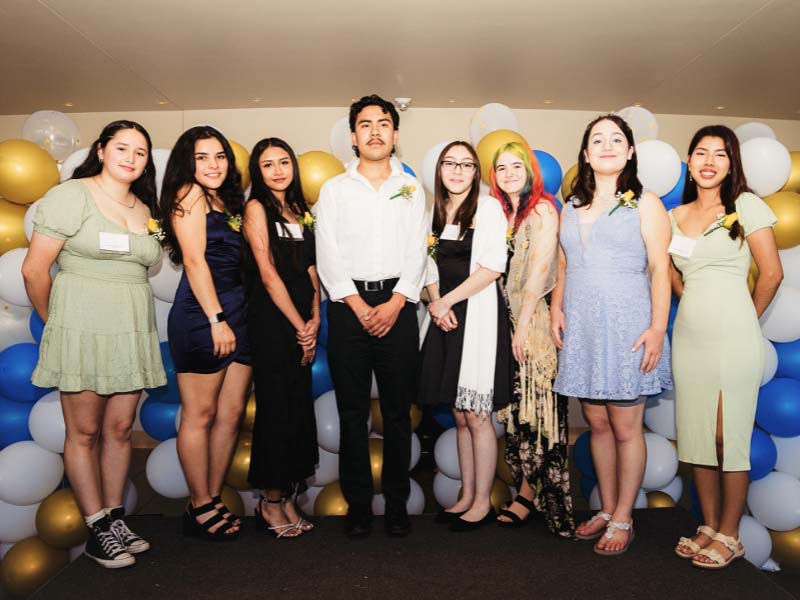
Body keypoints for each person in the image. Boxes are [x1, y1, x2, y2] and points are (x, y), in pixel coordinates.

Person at [22, 120, 166, 568]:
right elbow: (34, 270)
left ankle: (115, 516)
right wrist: (57, 324)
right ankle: (96, 524)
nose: (131, 157)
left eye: (140, 152)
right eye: (122, 147)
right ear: (102, 150)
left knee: (120, 430)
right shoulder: (72, 195)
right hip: (81, 326)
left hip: (130, 327)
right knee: (83, 432)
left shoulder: (146, 209)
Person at [551, 115, 672, 555]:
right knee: (596, 424)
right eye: (597, 139)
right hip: (582, 325)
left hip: (627, 325)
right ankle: (603, 508)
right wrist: (555, 309)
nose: (606, 145)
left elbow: (660, 269)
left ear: (630, 151)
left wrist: (657, 327)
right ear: (585, 153)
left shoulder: (646, 203)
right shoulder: (571, 205)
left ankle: (624, 516)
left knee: (625, 427)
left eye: (616, 139)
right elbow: (564, 264)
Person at [669, 125, 782, 569]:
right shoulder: (675, 217)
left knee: (726, 436)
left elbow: (771, 274)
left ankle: (731, 535)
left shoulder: (746, 205)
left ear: (731, 163)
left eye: (720, 153)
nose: (709, 160)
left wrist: (742, 320)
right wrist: (691, 303)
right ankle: (709, 526)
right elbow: (671, 274)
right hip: (690, 341)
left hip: (736, 338)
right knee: (698, 437)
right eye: (701, 152)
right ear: (691, 161)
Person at [315, 94, 427, 538]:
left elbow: (418, 249)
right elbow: (327, 252)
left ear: (395, 135)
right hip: (348, 309)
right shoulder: (334, 190)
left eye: (384, 123)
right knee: (351, 413)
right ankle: (358, 503)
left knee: (399, 412)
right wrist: (360, 306)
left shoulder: (413, 188)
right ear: (353, 136)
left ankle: (397, 503)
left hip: (400, 305)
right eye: (365, 124)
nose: (375, 131)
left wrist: (397, 302)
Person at [159, 125, 252, 541]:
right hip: (203, 315)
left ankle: (212, 497)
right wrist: (216, 319)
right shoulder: (188, 194)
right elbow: (195, 262)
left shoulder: (227, 200)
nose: (213, 165)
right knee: (200, 415)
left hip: (239, 313)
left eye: (220, 156)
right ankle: (199, 504)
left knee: (229, 415)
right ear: (187, 162)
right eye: (202, 157)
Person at [418, 141, 512, 532]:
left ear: (476, 172)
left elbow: (492, 266)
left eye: (466, 165)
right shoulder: (433, 213)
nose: (457, 171)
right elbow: (423, 267)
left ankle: (482, 501)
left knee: (477, 414)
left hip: (475, 319)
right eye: (449, 164)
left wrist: (446, 303)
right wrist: (435, 301)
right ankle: (467, 495)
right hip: (443, 318)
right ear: (439, 170)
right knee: (458, 414)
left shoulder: (488, 208)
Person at [489, 142, 576, 538]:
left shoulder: (541, 209)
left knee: (536, 414)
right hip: (502, 322)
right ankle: (527, 490)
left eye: (515, 165)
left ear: (529, 170)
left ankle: (530, 496)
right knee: (518, 416)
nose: (509, 173)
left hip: (533, 324)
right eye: (501, 167)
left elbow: (541, 270)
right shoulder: (500, 214)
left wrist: (522, 327)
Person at [243, 137, 320, 538]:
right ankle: (270, 503)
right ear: (258, 171)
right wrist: (297, 325)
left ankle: (288, 495)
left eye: (284, 162)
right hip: (273, 323)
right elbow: (268, 273)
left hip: (302, 322)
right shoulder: (257, 208)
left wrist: (315, 318)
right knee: (275, 411)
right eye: (268, 164)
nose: (277, 170)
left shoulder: (300, 210)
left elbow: (310, 269)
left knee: (296, 409)